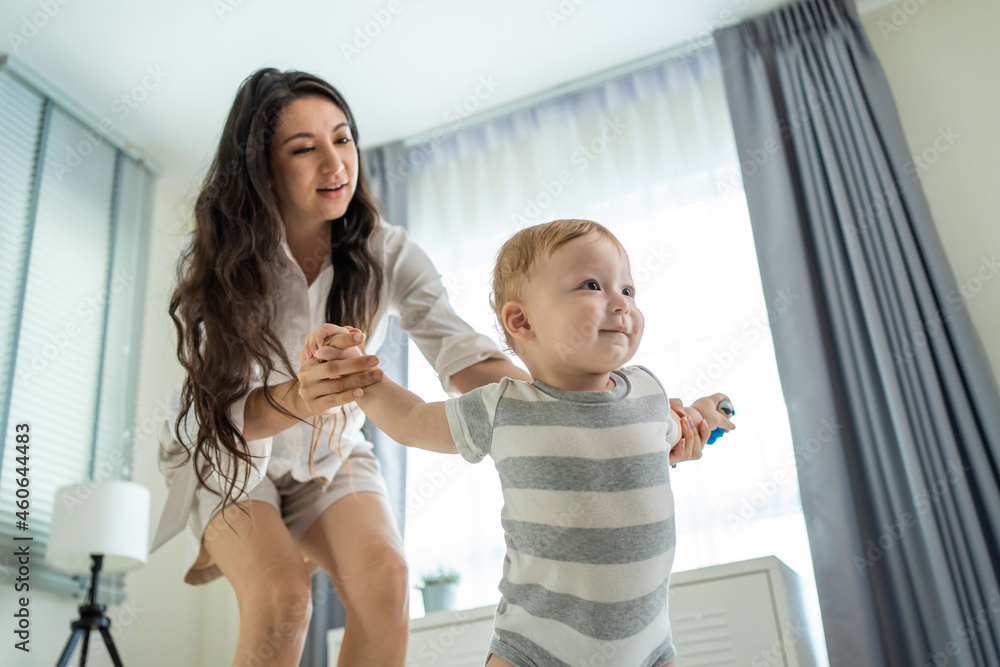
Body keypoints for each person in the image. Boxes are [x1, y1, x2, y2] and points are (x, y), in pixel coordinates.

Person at [151, 68, 531, 667]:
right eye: (304, 149)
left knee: (387, 582)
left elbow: (458, 350)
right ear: (262, 168)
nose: (336, 164)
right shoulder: (219, 262)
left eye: (343, 138)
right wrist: (300, 398)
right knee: (284, 600)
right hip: (231, 458)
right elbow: (226, 414)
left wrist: (567, 403)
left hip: (331, 453)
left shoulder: (386, 249)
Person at [306, 219, 736, 667]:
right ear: (522, 321)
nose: (621, 304)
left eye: (627, 290)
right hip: (536, 649)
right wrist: (358, 375)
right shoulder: (503, 408)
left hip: (648, 648)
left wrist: (707, 412)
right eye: (593, 285)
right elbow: (413, 420)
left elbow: (683, 427)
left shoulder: (647, 392)